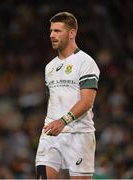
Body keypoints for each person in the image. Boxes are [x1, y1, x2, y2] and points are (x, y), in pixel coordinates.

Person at [35, 12, 100, 179]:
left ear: (72, 33)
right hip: (51, 132)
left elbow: (87, 102)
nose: (52, 35)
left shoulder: (85, 62)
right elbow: (53, 100)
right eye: (51, 31)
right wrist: (54, 122)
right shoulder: (49, 67)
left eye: (57, 31)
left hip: (79, 135)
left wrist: (63, 121)